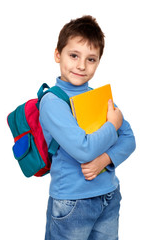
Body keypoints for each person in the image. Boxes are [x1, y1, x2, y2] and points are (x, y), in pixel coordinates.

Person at [39, 15, 136, 240]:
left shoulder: (97, 97)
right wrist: (112, 125)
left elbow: (129, 138)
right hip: (72, 203)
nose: (81, 65)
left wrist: (105, 160)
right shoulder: (53, 102)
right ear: (57, 54)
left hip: (109, 196)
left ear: (98, 62)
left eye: (91, 59)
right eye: (74, 55)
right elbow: (83, 149)